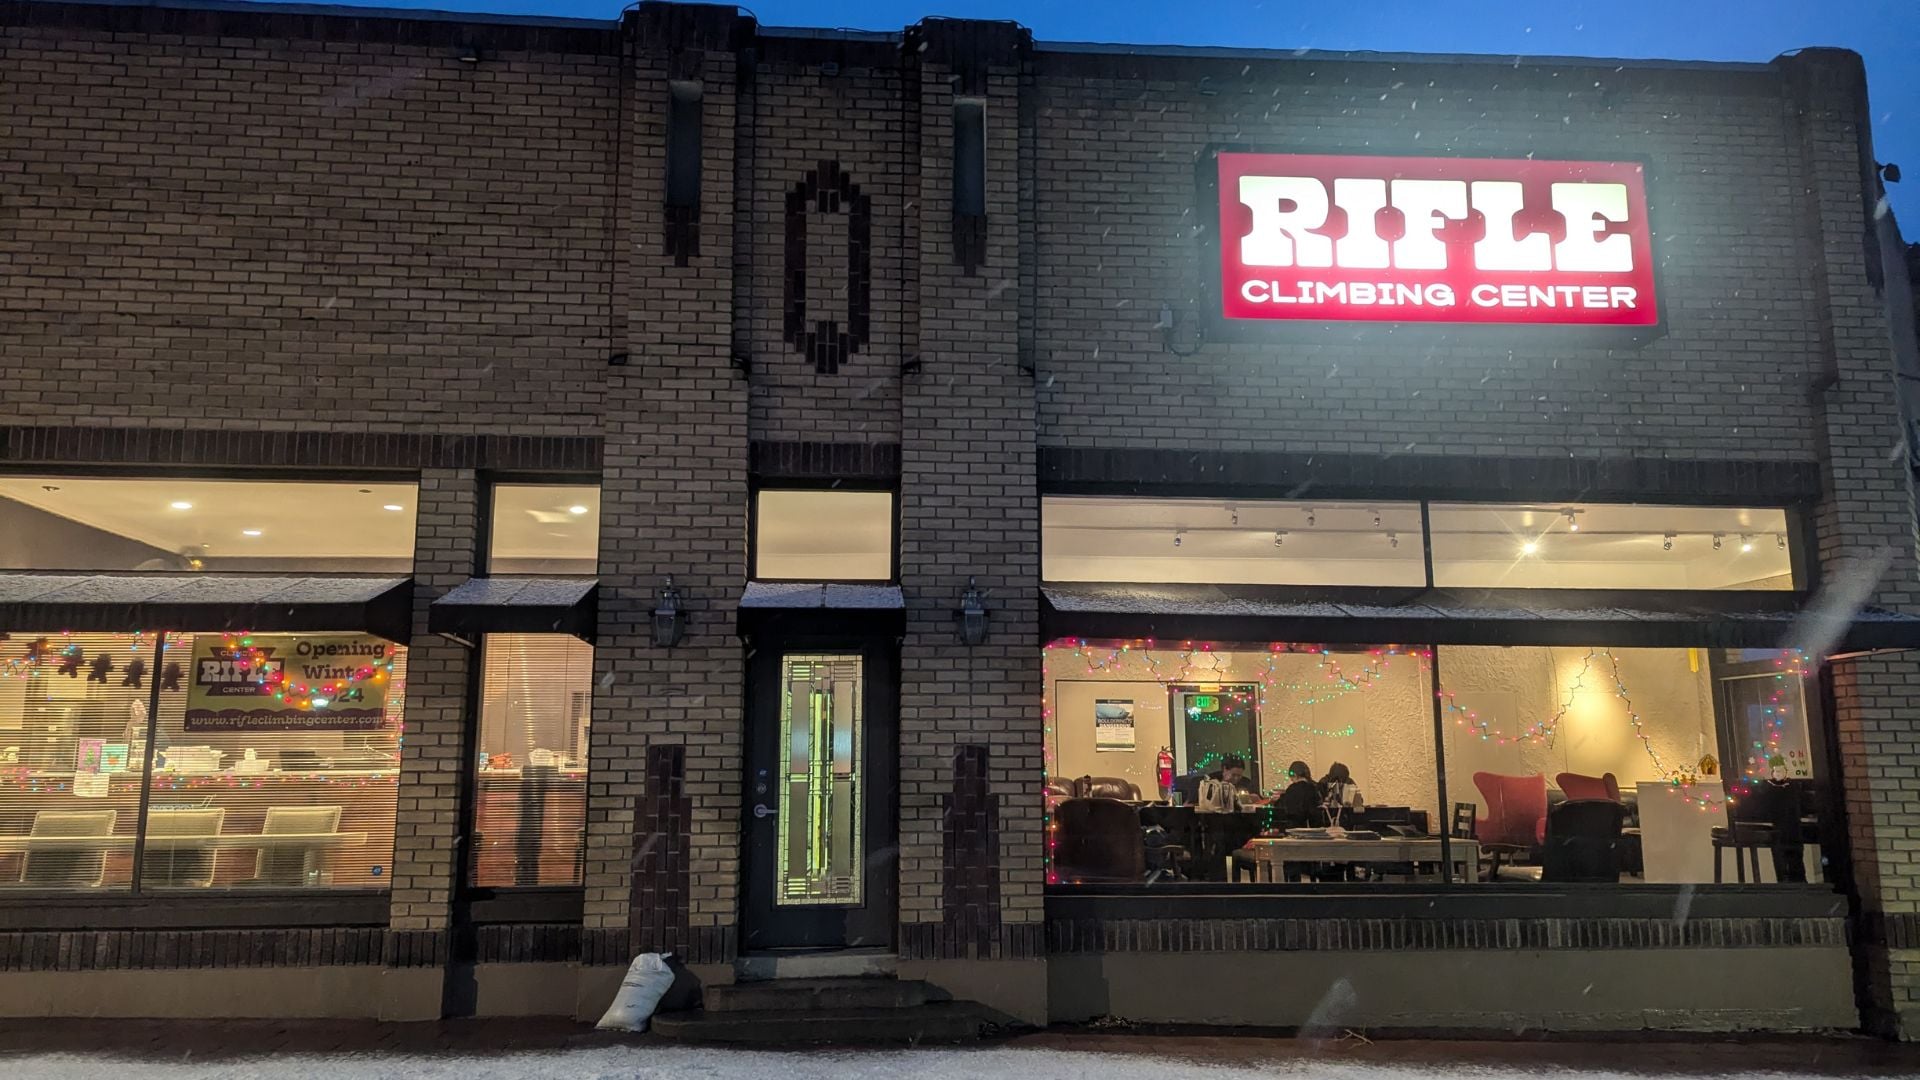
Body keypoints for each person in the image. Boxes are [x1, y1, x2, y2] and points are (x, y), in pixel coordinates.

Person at [1273, 760, 1322, 828]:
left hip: (1294, 828)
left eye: (1292, 779)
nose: (1292, 781)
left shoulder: (1292, 789)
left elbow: (1282, 809)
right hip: (1311, 829)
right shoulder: (1314, 787)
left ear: (1295, 775)